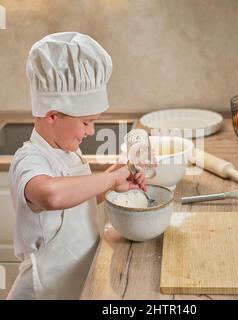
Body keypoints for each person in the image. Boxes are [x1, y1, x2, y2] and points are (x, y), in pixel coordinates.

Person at [7, 32, 146, 300]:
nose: (92, 131)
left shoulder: (68, 152)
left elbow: (77, 202)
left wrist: (117, 175)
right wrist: (113, 177)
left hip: (76, 286)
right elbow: (53, 196)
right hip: (43, 293)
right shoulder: (29, 159)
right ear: (52, 115)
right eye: (86, 122)